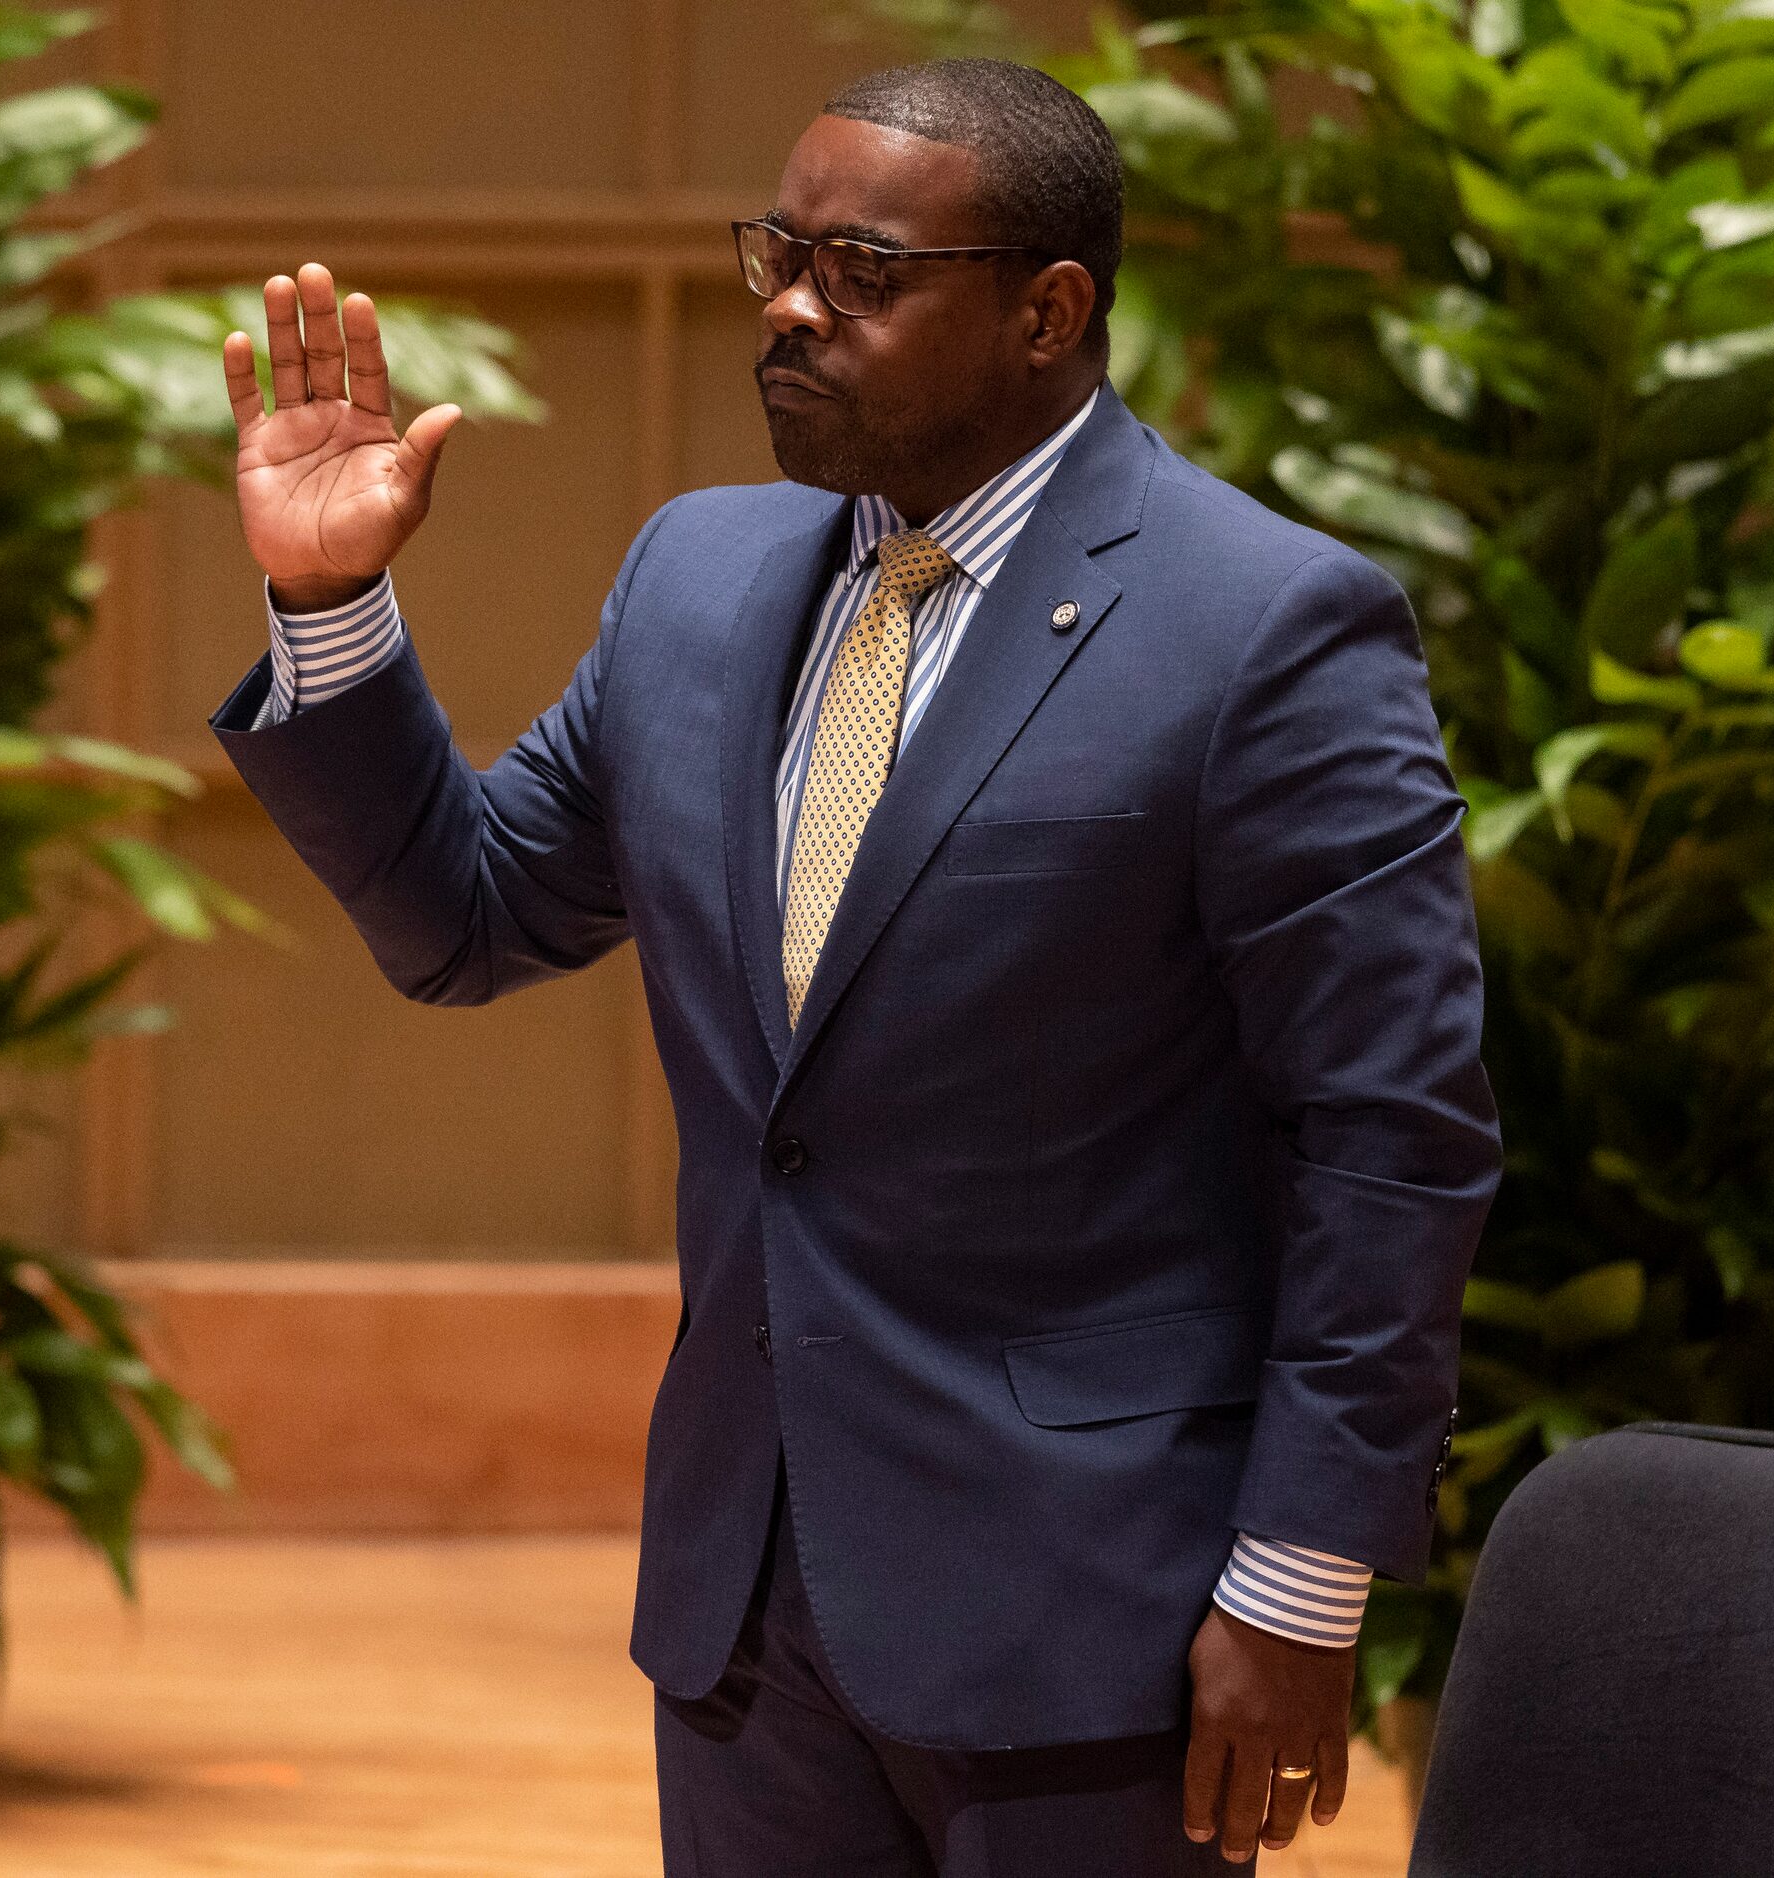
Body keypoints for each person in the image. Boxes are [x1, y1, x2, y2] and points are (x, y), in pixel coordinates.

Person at [210, 57, 1498, 1876]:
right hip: (747, 1591)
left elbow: (1389, 1139)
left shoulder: (1268, 626)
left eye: (866, 271)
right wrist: (331, 606)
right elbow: (472, 916)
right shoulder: (697, 579)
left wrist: (1300, 1579)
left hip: (1094, 1612)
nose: (795, 305)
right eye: (780, 252)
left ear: (1048, 312)